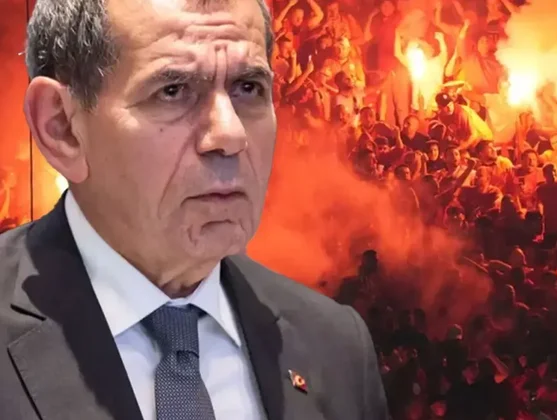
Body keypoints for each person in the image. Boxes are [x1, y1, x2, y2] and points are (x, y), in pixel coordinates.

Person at [0, 1, 389, 420]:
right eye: (173, 91)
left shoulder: (336, 345)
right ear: (62, 126)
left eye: (248, 88)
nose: (230, 134)